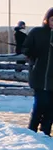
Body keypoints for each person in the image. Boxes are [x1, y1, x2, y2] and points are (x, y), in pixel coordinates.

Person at [26, 8, 53, 136]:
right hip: (39, 76)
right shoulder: (37, 32)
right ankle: (32, 131)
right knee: (40, 105)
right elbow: (25, 47)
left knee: (51, 108)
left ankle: (45, 133)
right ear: (47, 20)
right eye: (52, 19)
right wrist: (33, 53)